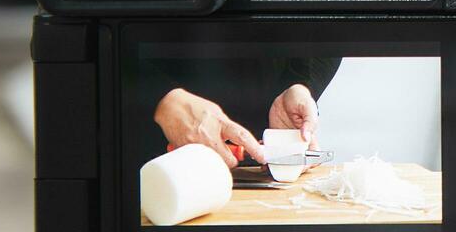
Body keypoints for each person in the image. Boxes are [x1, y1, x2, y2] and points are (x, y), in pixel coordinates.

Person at [143, 55, 342, 168]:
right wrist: (162, 97)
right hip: (149, 136)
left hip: (267, 131)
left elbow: (334, 16)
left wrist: (301, 83)